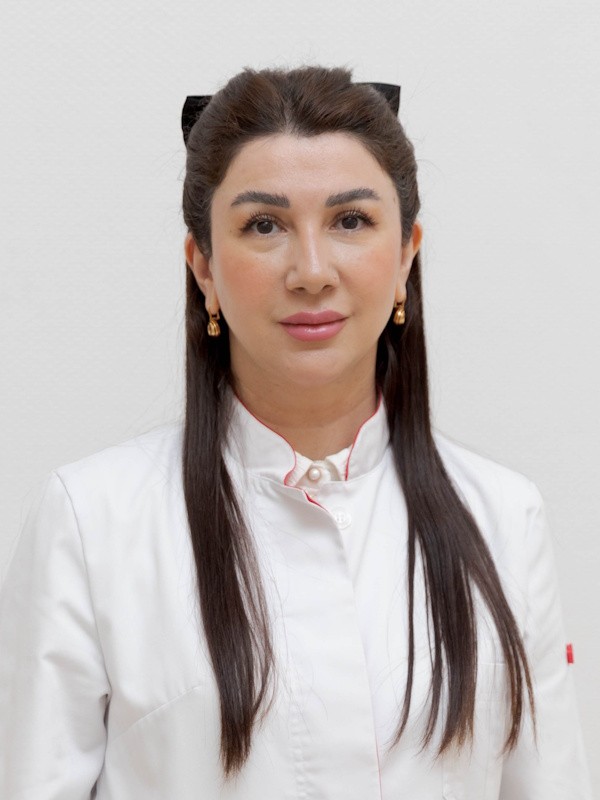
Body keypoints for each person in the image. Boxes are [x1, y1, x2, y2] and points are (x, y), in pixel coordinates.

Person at [0, 66, 592, 799]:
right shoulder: (92, 523)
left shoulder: (503, 519)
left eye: (351, 221)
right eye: (264, 225)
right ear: (203, 267)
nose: (311, 271)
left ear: (406, 255)